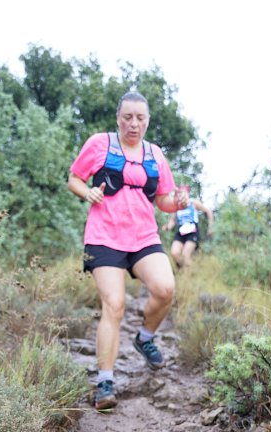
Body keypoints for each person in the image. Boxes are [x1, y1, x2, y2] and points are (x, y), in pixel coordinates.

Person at [68, 91, 189, 411]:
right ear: (118, 119)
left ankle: (145, 338)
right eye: (128, 117)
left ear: (147, 121)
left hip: (143, 236)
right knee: (114, 304)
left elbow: (163, 200)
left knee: (165, 289)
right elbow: (74, 178)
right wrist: (87, 192)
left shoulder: (155, 154)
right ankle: (105, 383)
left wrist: (178, 203)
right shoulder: (100, 144)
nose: (134, 124)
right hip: (104, 236)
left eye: (140, 118)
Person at [163, 191, 214, 268]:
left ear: (187, 196)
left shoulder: (193, 203)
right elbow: (172, 221)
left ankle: (188, 273)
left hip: (192, 232)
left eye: (184, 196)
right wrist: (167, 227)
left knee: (185, 254)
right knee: (174, 253)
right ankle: (183, 269)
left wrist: (211, 226)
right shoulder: (177, 207)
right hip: (181, 232)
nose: (182, 199)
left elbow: (208, 211)